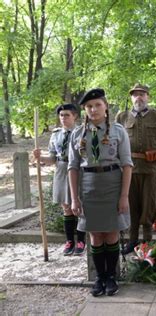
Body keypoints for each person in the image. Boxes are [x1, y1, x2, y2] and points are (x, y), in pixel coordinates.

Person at [68, 88, 133, 297]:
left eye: (97, 105)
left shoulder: (118, 131)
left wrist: (124, 196)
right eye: (88, 106)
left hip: (113, 185)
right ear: (85, 110)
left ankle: (112, 277)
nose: (93, 109)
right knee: (95, 234)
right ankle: (99, 277)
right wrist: (74, 199)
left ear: (106, 107)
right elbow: (73, 167)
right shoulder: (78, 134)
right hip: (89, 186)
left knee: (112, 231)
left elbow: (127, 165)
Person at [115, 83, 156, 254]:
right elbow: (115, 144)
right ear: (131, 98)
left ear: (148, 97)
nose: (138, 97)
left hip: (151, 168)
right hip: (128, 170)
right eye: (135, 94)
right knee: (131, 205)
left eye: (142, 94)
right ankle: (132, 240)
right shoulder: (122, 117)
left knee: (149, 205)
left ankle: (147, 241)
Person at [33, 103, 86, 256]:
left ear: (74, 116)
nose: (63, 118)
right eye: (61, 115)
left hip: (78, 170)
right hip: (62, 171)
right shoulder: (56, 134)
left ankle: (81, 240)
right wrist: (40, 157)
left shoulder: (82, 132)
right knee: (66, 208)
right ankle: (69, 241)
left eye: (67, 115)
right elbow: (52, 159)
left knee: (79, 207)